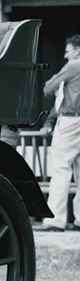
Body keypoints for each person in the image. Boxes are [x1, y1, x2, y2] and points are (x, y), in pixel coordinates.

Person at [36, 34, 80, 232]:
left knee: (61, 167)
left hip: (70, 120)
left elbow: (48, 87)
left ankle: (55, 218)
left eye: (68, 50)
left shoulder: (74, 66)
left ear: (77, 50)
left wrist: (57, 88)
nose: (65, 55)